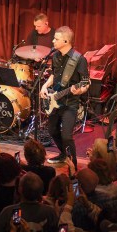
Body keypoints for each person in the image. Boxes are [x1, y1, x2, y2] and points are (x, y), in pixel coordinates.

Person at [40, 26, 90, 167]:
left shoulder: (79, 59)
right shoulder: (56, 56)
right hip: (56, 100)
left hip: (70, 103)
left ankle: (73, 163)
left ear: (66, 41)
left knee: (67, 136)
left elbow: (86, 83)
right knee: (52, 130)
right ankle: (63, 154)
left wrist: (79, 91)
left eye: (56, 39)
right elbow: (54, 75)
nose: (53, 41)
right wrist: (45, 86)